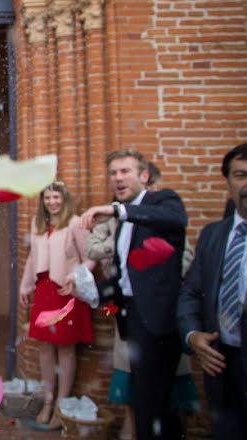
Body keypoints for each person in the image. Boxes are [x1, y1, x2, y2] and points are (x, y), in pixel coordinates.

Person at [82, 149, 188, 440]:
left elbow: (176, 220)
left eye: (125, 171)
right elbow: (126, 278)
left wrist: (117, 210)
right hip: (132, 321)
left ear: (144, 176)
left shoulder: (162, 202)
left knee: (153, 405)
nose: (118, 178)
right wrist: (92, 292)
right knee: (148, 403)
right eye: (113, 173)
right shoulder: (126, 218)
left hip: (158, 324)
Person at [178, 143, 247, 439]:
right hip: (220, 363)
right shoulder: (212, 235)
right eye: (241, 175)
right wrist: (193, 335)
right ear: (229, 182)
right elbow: (191, 292)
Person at [19, 181, 93, 429]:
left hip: (66, 291)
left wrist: (77, 277)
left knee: (66, 349)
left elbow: (90, 256)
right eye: (48, 198)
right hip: (44, 291)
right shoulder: (38, 224)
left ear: (64, 199)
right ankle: (48, 402)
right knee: (45, 348)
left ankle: (61, 407)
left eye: (56, 197)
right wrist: (25, 285)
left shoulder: (75, 223)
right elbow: (32, 258)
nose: (52, 202)